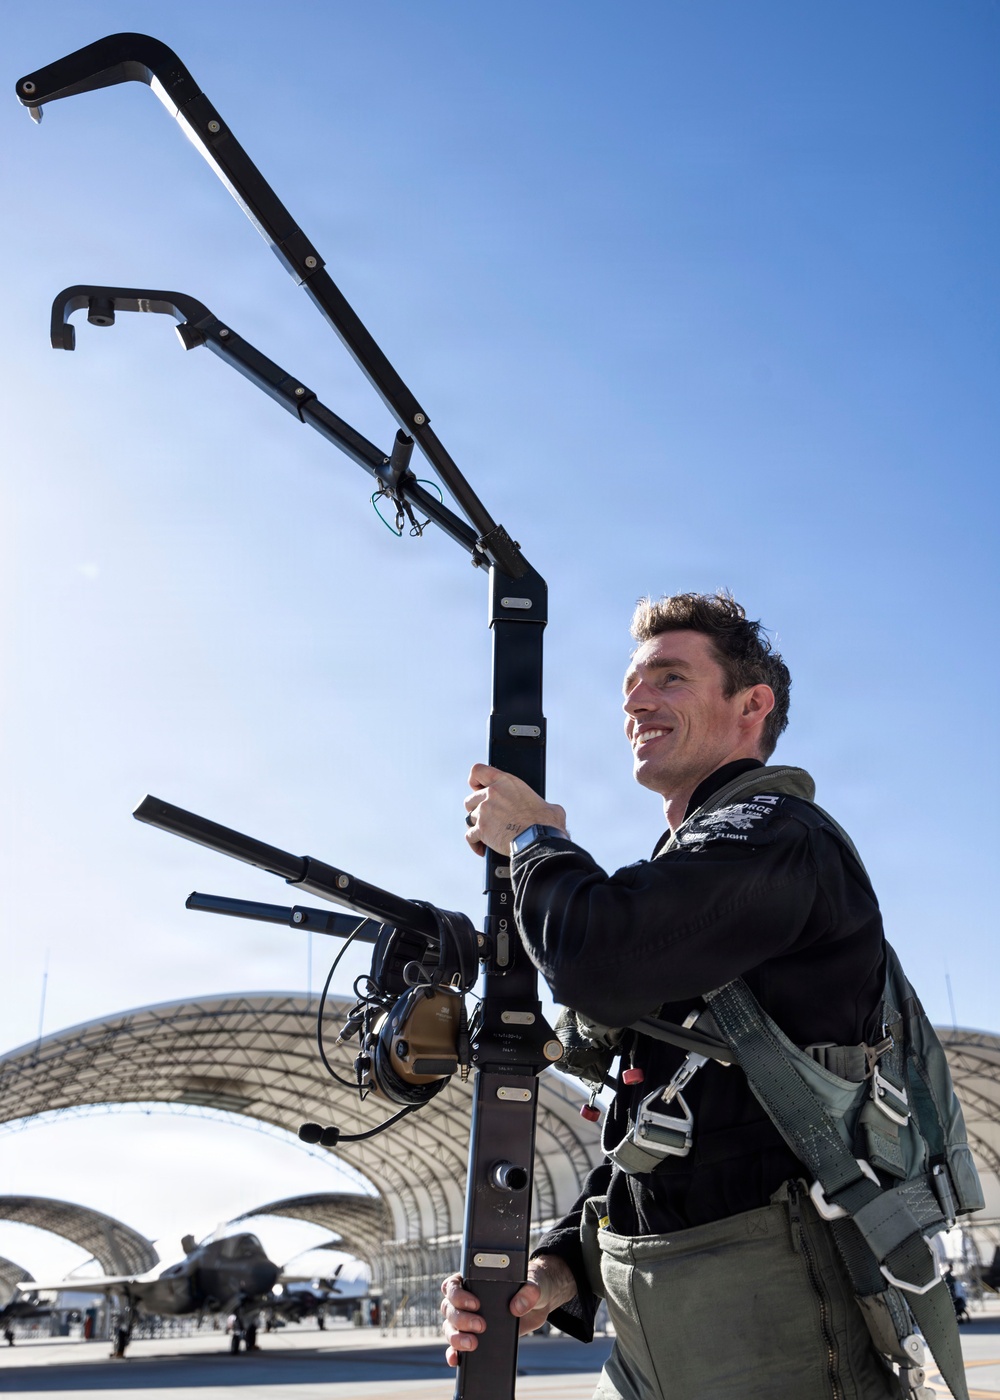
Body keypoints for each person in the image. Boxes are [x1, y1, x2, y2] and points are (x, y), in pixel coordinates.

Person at [442, 591, 900, 1399]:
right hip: (653, 1331)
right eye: (631, 685)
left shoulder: (778, 836)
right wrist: (556, 1271)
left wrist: (536, 841)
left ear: (751, 705)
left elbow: (599, 961)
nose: (636, 699)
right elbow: (660, 1120)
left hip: (773, 1333)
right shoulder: (693, 878)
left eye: (670, 677)